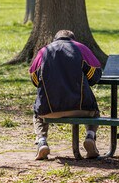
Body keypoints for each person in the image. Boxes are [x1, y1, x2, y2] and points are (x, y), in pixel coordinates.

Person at [29, 29, 103, 160]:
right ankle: (90, 136)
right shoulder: (81, 48)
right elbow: (95, 74)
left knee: (37, 113)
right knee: (95, 111)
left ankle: (42, 142)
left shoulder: (43, 51)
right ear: (73, 39)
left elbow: (34, 78)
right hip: (81, 108)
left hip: (49, 110)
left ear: (55, 39)